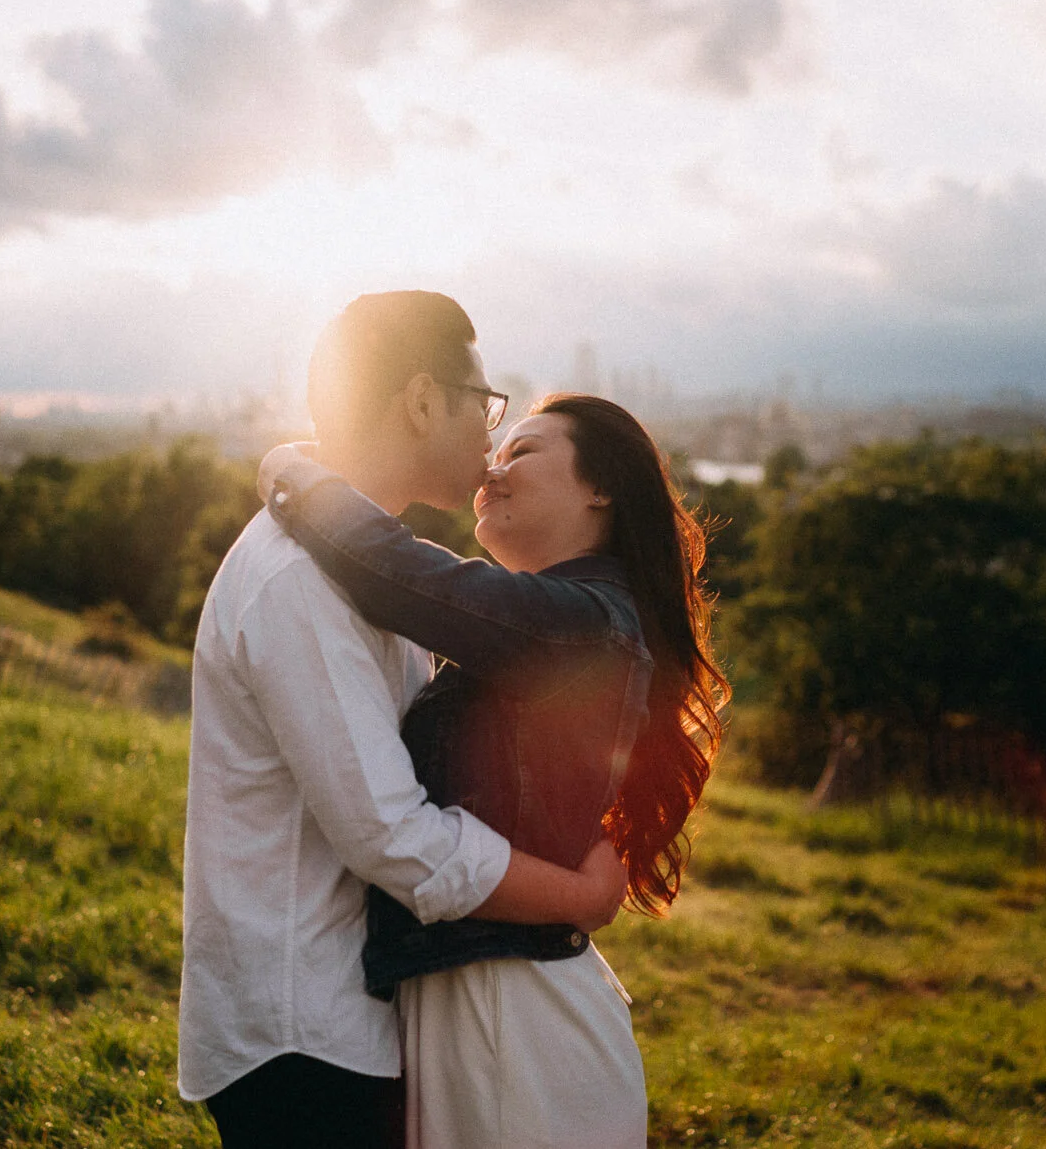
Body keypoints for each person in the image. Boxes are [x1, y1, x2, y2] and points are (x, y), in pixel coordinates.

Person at [178, 292, 631, 1149]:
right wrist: (575, 895)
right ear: (423, 400)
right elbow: (393, 836)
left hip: (351, 1015)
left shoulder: (365, 571)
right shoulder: (298, 581)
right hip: (301, 1030)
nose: (491, 436)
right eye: (485, 403)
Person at [257, 391, 728, 1149]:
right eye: (497, 450)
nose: (492, 467)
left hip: (513, 1016)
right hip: (494, 1004)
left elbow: (397, 574)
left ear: (600, 487)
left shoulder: (580, 621)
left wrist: (291, 470)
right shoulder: (583, 624)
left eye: (523, 451)